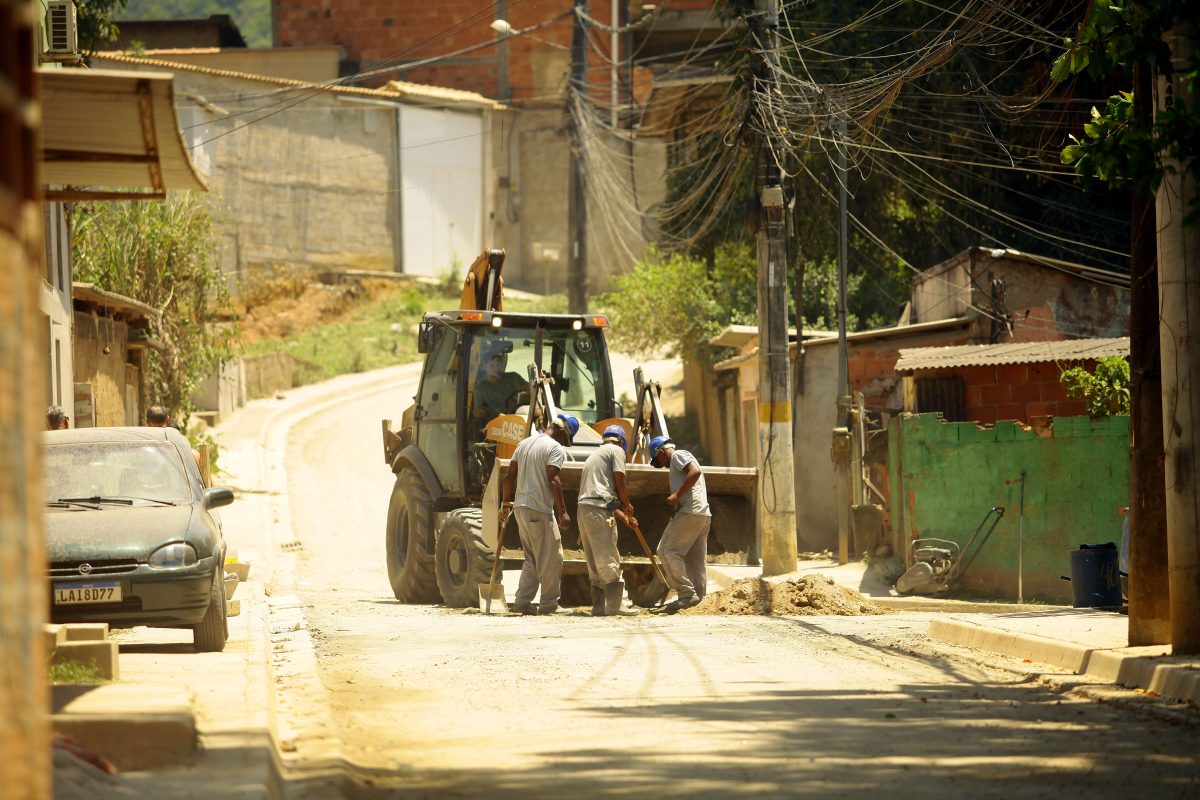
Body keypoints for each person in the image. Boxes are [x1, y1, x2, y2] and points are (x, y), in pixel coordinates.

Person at [500, 413, 579, 615]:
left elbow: (510, 476)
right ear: (561, 432)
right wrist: (563, 512)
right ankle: (549, 604)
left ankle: (521, 603)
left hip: (520, 508)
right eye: (565, 439)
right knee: (552, 557)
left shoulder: (524, 443)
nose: (564, 443)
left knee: (532, 559)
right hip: (539, 509)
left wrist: (505, 504)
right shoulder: (554, 447)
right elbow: (553, 479)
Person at [576, 425, 635, 616]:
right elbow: (619, 481)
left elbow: (603, 498)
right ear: (621, 441)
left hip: (584, 508)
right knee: (608, 557)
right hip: (598, 509)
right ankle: (615, 605)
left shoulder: (594, 456)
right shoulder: (616, 450)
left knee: (594, 560)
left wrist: (624, 517)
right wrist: (627, 504)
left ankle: (599, 607)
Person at [648, 435, 710, 614]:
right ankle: (699, 599)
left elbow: (695, 471)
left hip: (690, 512)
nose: (663, 465)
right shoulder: (677, 461)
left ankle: (685, 594)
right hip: (702, 514)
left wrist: (677, 495)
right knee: (695, 559)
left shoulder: (677, 455)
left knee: (666, 550)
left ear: (661, 451)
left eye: (658, 460)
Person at [473, 341, 527, 423]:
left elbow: (531, 392)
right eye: (492, 365)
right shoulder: (480, 388)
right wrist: (479, 413)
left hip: (518, 423)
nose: (496, 369)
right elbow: (478, 411)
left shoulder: (514, 378)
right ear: (484, 367)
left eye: (498, 365)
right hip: (494, 426)